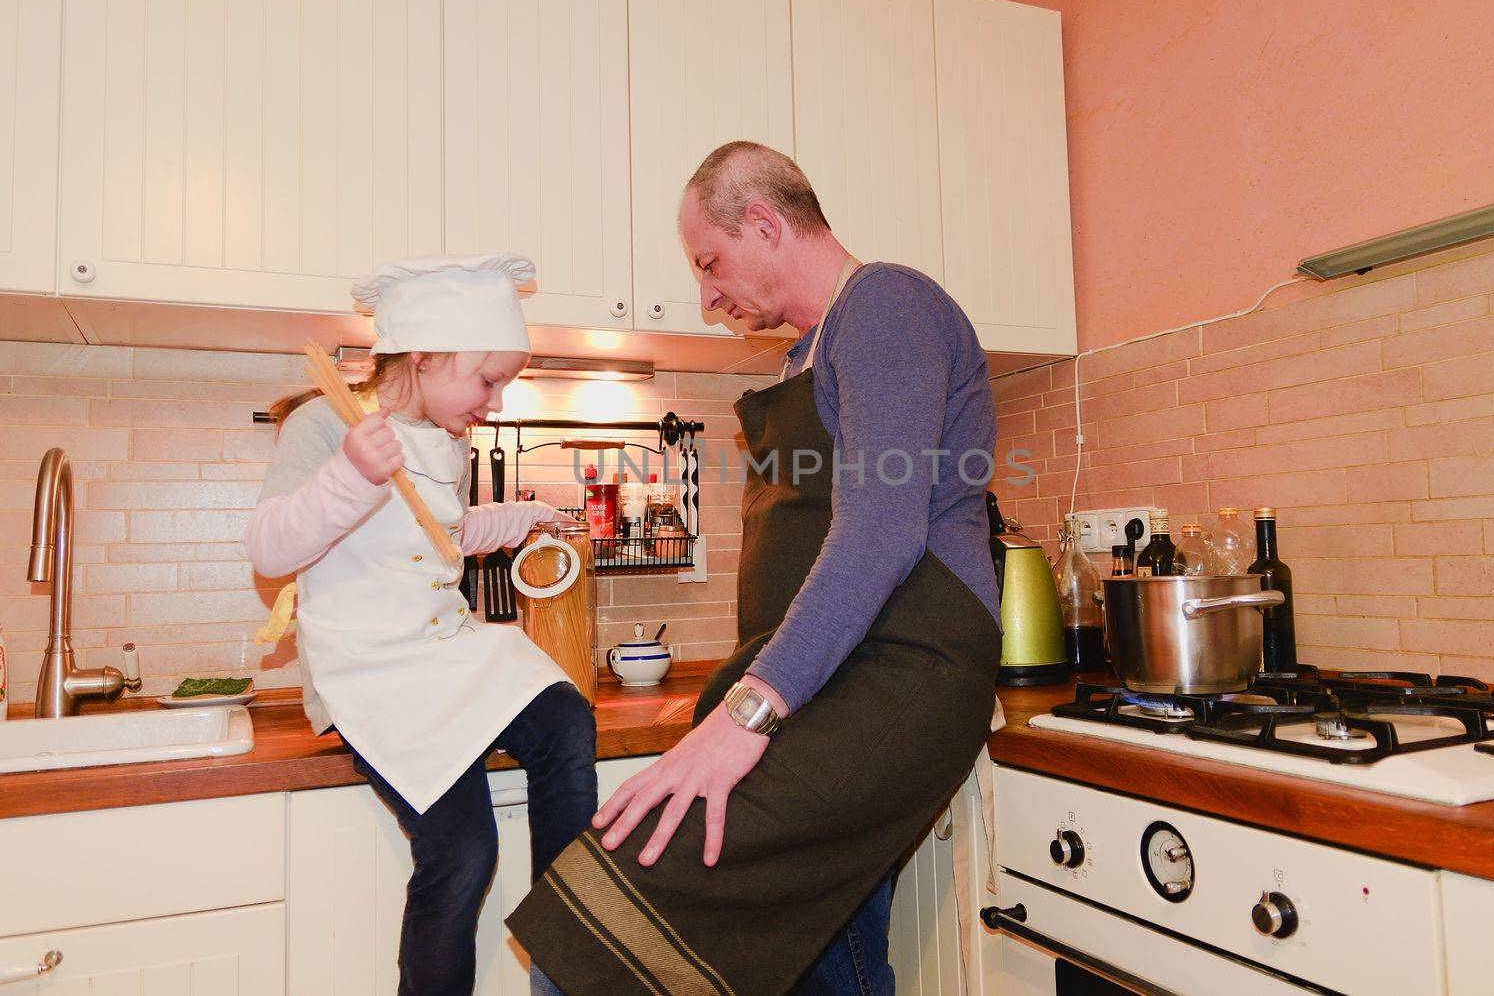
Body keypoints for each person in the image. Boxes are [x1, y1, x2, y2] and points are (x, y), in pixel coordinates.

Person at [509, 142, 1003, 994]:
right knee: (819, 956)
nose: (705, 297)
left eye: (709, 262)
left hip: (905, 661)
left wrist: (747, 710)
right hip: (826, 671)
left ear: (766, 224)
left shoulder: (886, 304)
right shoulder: (805, 351)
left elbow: (882, 529)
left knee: (591, 940)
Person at [245, 254, 597, 996]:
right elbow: (269, 547)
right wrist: (349, 474)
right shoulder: (324, 423)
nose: (496, 401)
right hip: (370, 672)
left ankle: (569, 970)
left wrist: (522, 516)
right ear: (428, 356)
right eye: (489, 378)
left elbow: (441, 531)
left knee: (566, 718)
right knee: (464, 850)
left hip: (446, 651)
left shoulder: (449, 433)